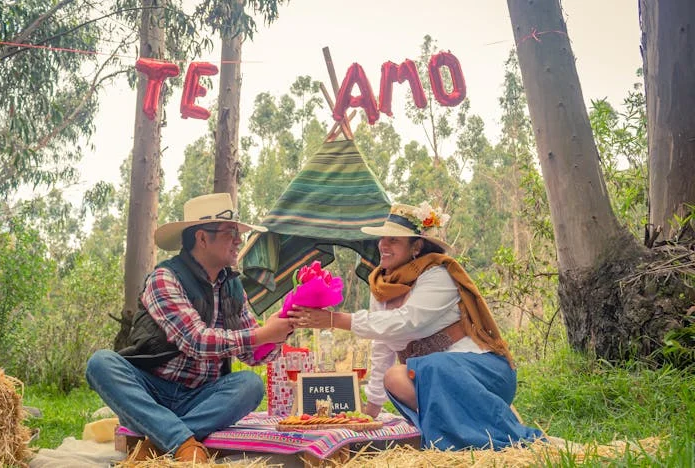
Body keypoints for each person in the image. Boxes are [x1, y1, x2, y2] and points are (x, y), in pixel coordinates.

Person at [288, 201, 544, 451]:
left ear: (416, 246)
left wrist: (336, 320)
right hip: (434, 377)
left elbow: (407, 323)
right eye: (382, 239)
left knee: (432, 365)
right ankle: (465, 430)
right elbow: (383, 346)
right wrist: (372, 410)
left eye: (394, 240)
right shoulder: (381, 286)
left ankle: (492, 416)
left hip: (481, 371)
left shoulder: (438, 275)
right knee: (395, 377)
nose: (383, 246)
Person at [86, 193, 293, 463]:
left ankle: (159, 443)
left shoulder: (233, 287)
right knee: (100, 363)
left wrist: (281, 330)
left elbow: (253, 355)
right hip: (152, 392)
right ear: (202, 238)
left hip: (201, 397)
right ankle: (182, 442)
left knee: (250, 385)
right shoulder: (164, 278)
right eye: (231, 232)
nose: (239, 240)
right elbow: (195, 341)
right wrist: (262, 334)